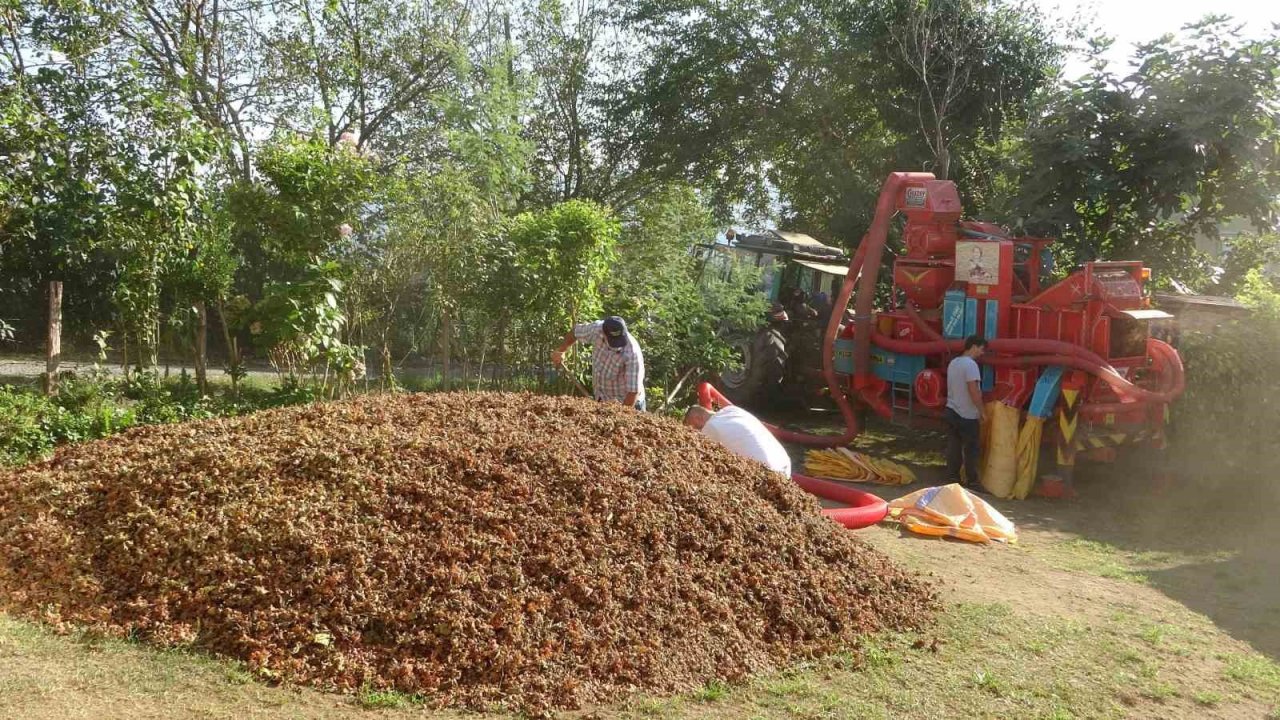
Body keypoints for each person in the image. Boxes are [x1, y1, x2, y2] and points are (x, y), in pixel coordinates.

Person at [552, 316, 646, 410]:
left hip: (629, 403)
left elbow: (633, 392)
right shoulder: (596, 329)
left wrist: (620, 416)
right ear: (603, 334)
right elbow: (575, 332)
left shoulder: (632, 353)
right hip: (603, 400)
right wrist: (561, 350)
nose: (617, 346)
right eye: (613, 341)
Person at [683, 405, 792, 476]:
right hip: (785, 464)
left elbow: (700, 462)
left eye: (692, 427)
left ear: (698, 418)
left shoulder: (711, 427)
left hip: (768, 476)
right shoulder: (732, 410)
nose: (694, 432)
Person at [945, 335, 988, 488]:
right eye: (981, 349)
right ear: (974, 346)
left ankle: (952, 478)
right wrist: (982, 411)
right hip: (967, 414)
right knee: (971, 449)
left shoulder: (953, 363)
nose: (982, 353)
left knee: (954, 446)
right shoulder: (971, 365)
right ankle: (972, 481)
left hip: (951, 409)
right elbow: (973, 390)